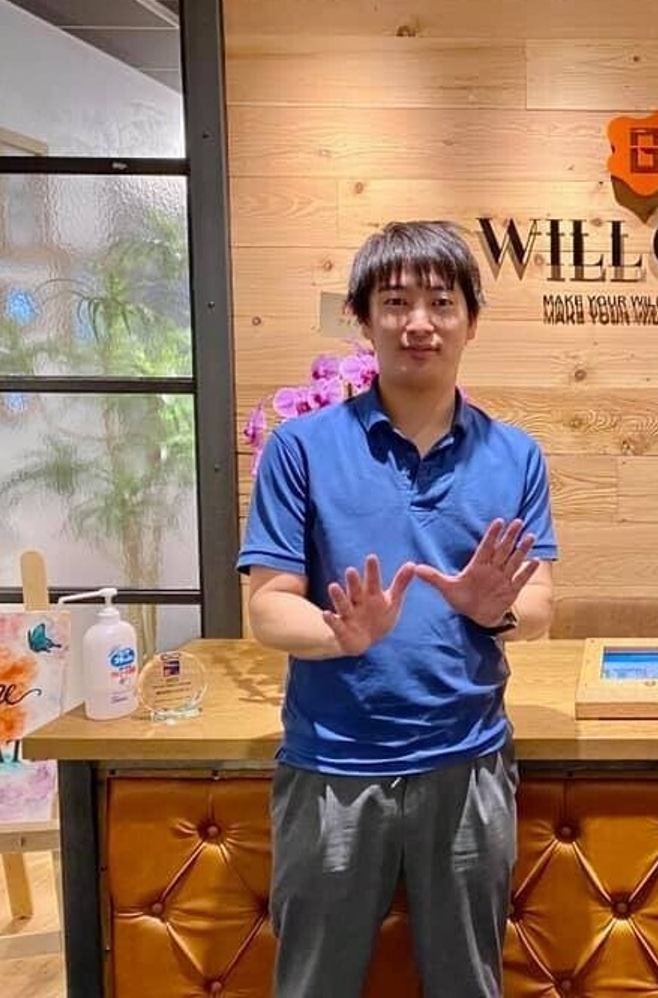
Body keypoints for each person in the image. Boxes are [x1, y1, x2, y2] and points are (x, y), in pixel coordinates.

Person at [238, 220, 557, 998]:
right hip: (331, 766)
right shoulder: (300, 447)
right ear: (363, 319)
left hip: (468, 763)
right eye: (395, 302)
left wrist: (493, 611)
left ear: (471, 321)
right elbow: (267, 608)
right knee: (313, 985)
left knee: (469, 984)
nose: (419, 322)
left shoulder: (516, 455)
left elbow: (540, 604)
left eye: (441, 303)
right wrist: (338, 633)